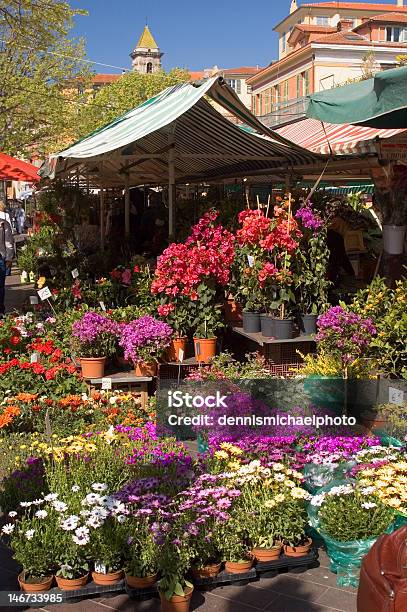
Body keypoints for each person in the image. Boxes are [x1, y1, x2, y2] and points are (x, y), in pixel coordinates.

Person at [0, 218, 14, 317]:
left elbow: (8, 242)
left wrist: (9, 258)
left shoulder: (4, 224)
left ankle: (0, 311)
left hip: (0, 257)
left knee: (0, 286)